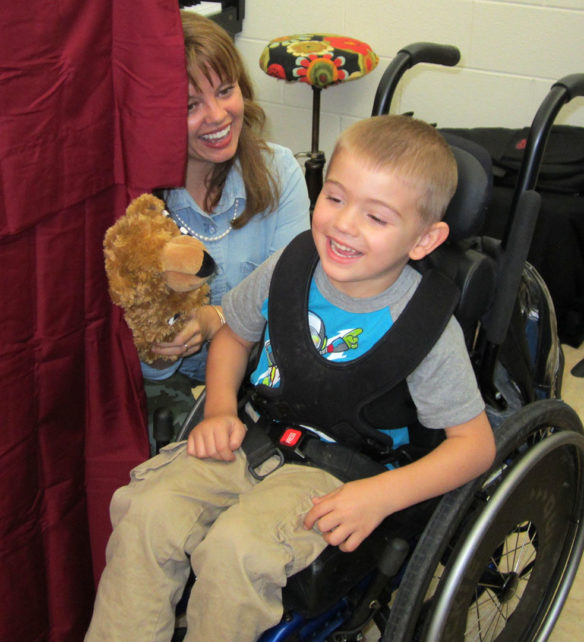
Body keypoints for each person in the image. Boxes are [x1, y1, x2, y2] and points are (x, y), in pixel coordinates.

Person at [85, 115, 496, 641]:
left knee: (235, 552)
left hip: (341, 472)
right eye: (336, 198)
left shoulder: (426, 329)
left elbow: (474, 446)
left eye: (376, 216)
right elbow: (233, 333)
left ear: (424, 240)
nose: (344, 225)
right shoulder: (292, 264)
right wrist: (218, 409)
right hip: (256, 432)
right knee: (144, 511)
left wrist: (383, 496)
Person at [142, 10, 310, 448]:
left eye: (225, 91)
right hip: (166, 393)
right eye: (190, 106)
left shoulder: (279, 171)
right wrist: (160, 346)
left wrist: (217, 318)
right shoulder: (138, 199)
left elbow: (293, 298)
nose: (218, 116)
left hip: (260, 381)